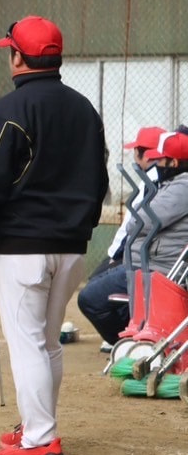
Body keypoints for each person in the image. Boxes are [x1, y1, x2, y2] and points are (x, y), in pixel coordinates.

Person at [0, 15, 108, 455]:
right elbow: (98, 180)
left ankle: (41, 437)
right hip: (72, 245)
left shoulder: (8, 110)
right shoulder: (85, 109)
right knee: (47, 343)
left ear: (18, 56)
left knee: (27, 344)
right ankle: (36, 424)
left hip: (23, 248)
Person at [78, 131, 188, 347]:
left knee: (90, 299)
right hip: (145, 263)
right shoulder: (173, 182)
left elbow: (140, 221)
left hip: (157, 269)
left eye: (160, 158)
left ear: (174, 161)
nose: (154, 162)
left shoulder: (183, 186)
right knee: (94, 291)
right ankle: (137, 341)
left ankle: (137, 345)